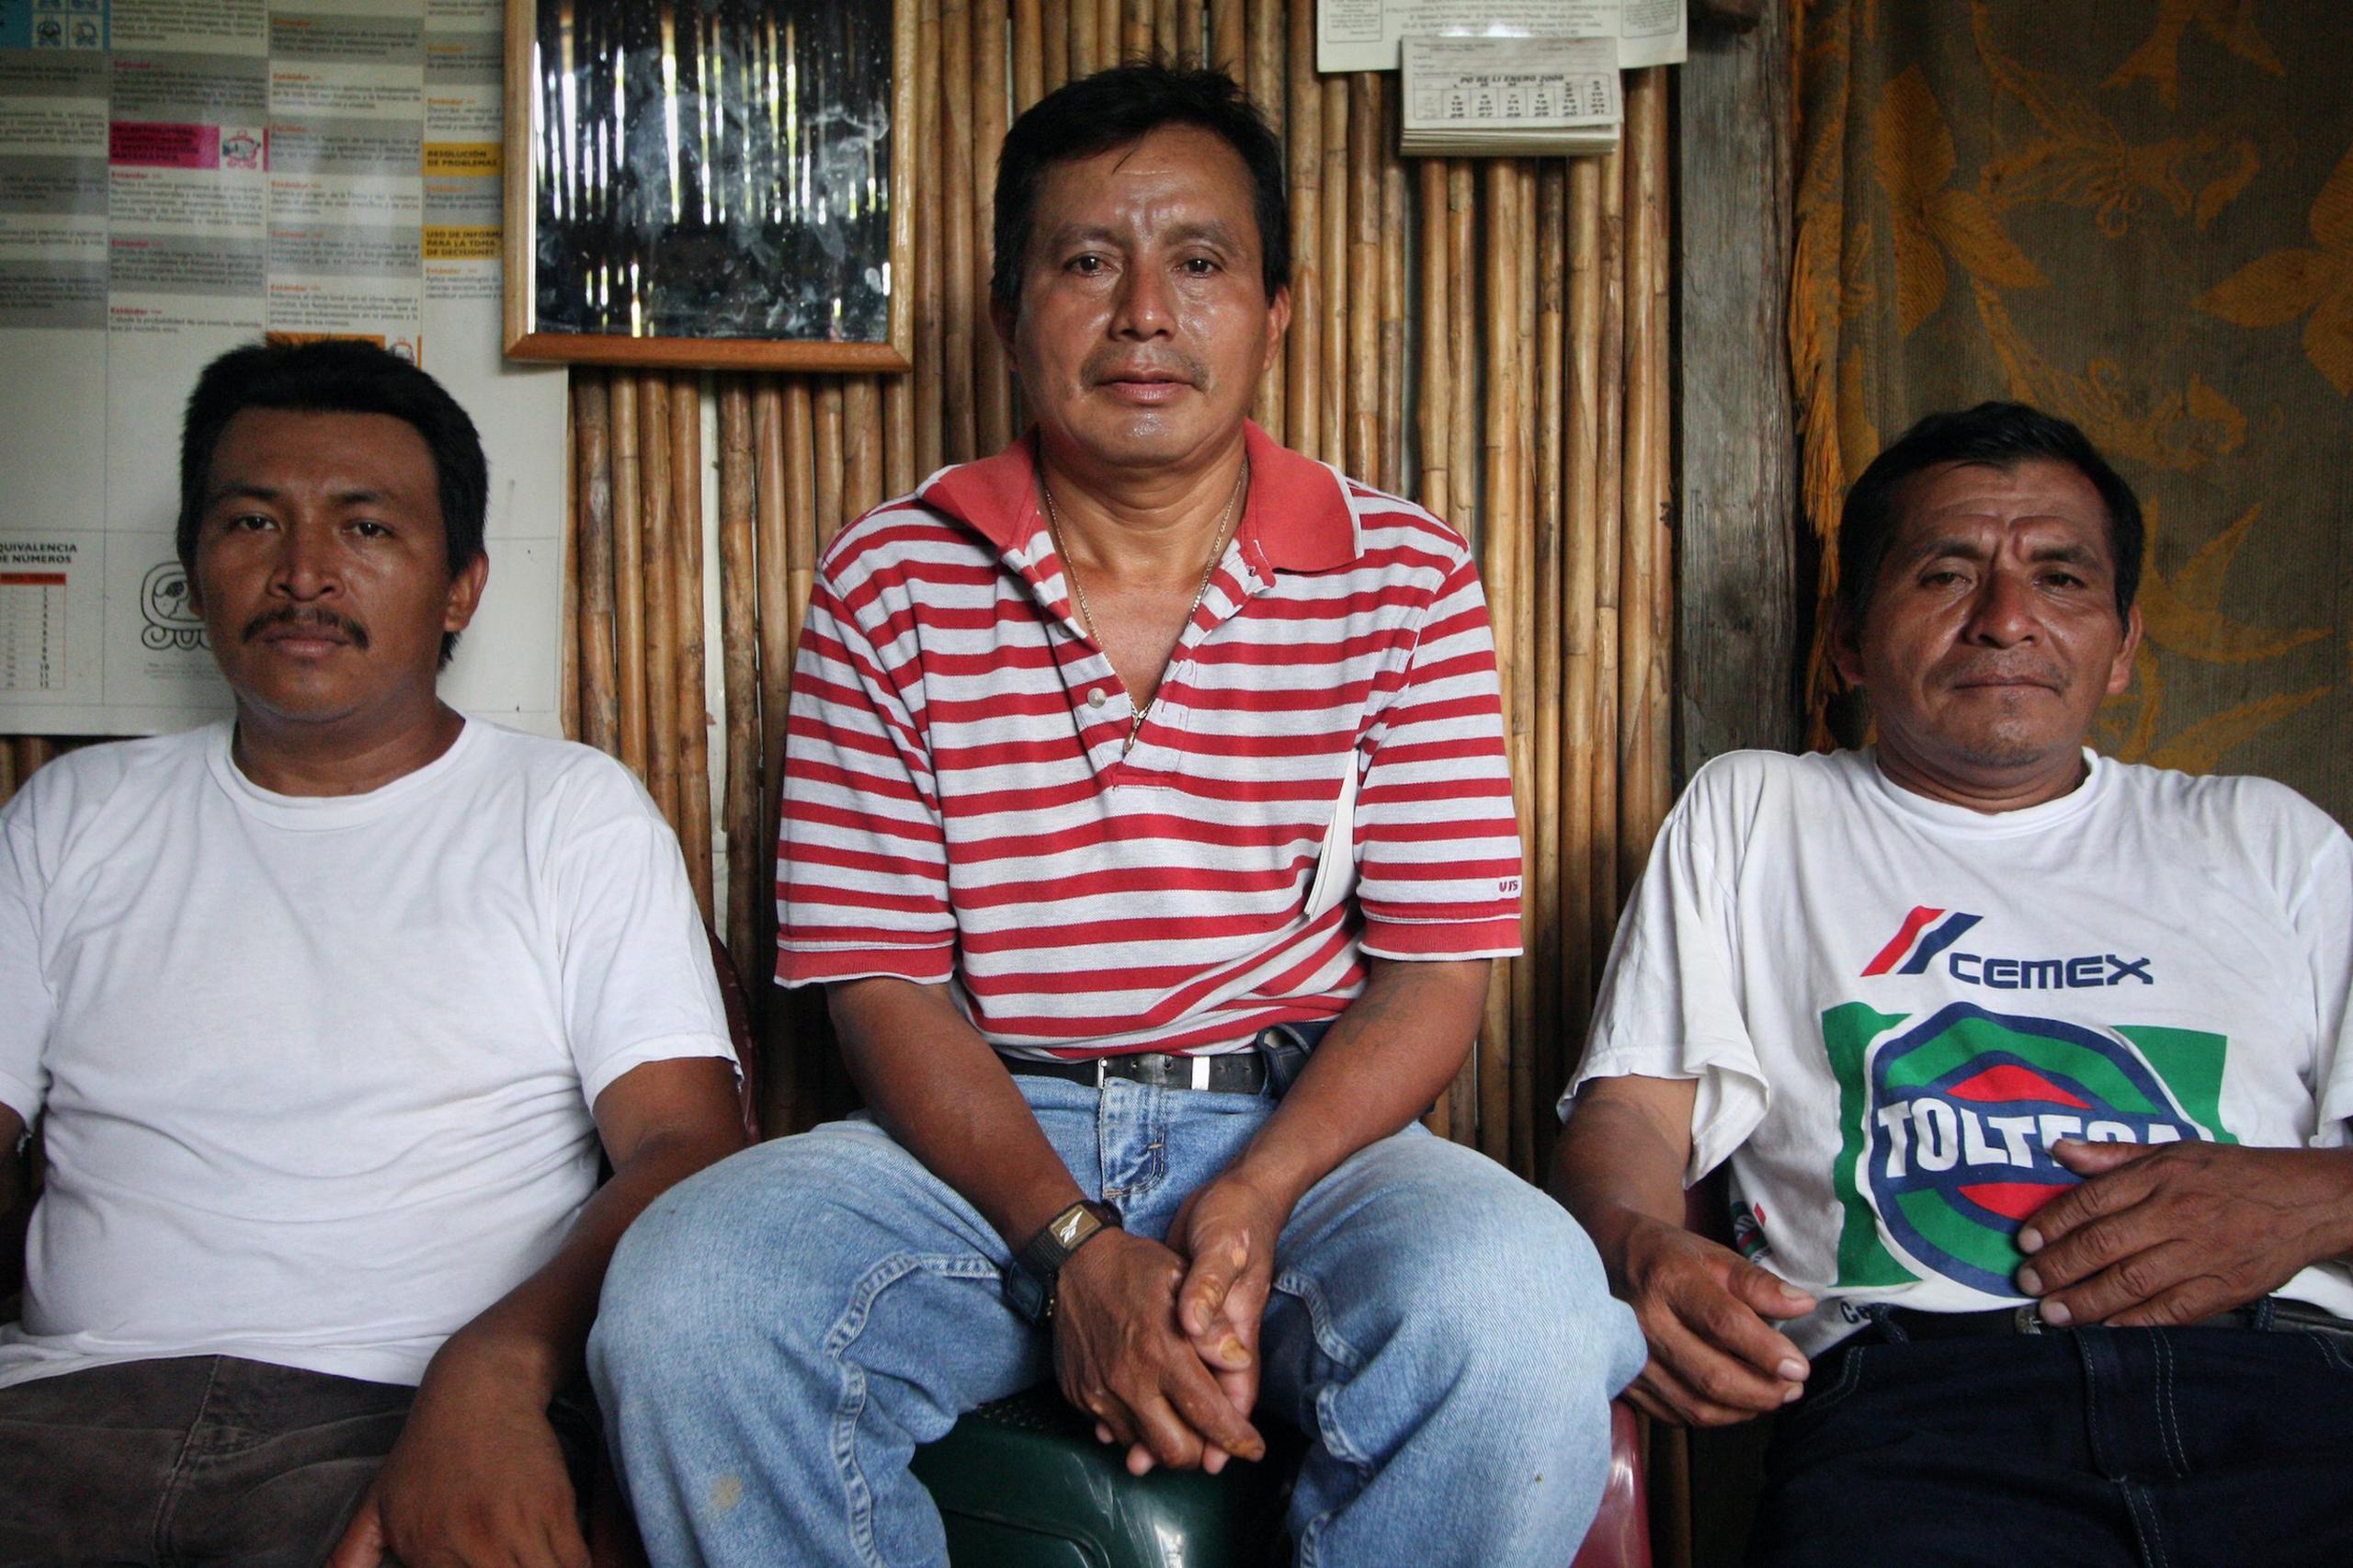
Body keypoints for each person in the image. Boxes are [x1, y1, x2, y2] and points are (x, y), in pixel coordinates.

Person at [590, 63, 1643, 1567]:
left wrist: (1260, 1196)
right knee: (692, 1300)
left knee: (1521, 1304)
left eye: (1198, 262)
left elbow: (1432, 970)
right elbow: (881, 981)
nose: (1145, 311)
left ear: (1278, 306)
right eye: (1088, 261)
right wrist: (1071, 1245)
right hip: (975, 1144)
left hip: (1305, 1132)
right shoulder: (891, 578)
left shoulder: (1400, 573)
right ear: (1016, 310)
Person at [1552, 401, 2353, 1566]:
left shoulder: (2266, 838)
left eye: (2060, 577)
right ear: (1848, 642)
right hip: (1920, 1417)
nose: (2005, 619)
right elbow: (1630, 1111)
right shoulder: (1761, 813)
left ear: (2123, 644)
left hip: (2287, 1393)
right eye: (1946, 573)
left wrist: (2312, 1198)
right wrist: (1630, 1244)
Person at [0, 340, 746, 1567]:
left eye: (364, 528)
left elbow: (687, 1147)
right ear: (193, 568)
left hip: (407, 1422)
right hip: (62, 1418)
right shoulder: (71, 819)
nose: (302, 573)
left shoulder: (567, 812)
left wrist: (497, 1371)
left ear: (460, 586)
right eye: (252, 520)